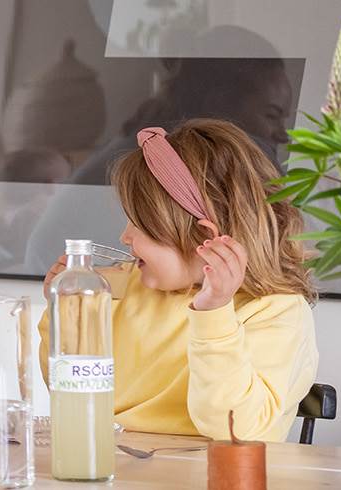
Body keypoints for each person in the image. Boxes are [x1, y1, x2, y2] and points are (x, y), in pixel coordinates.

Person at [40, 119, 317, 441]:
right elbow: (70, 395)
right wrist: (64, 313)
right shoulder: (119, 287)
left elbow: (238, 430)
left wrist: (214, 314)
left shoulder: (276, 312)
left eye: (138, 224)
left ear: (205, 239)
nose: (124, 237)